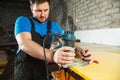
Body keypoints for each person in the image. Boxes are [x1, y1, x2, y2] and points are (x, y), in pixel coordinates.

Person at [14, 0, 98, 80]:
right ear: (31, 8)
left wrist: (80, 51)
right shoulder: (22, 21)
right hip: (24, 69)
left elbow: (67, 41)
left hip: (42, 68)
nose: (42, 15)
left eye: (46, 10)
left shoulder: (53, 25)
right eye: (38, 11)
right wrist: (52, 55)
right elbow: (24, 43)